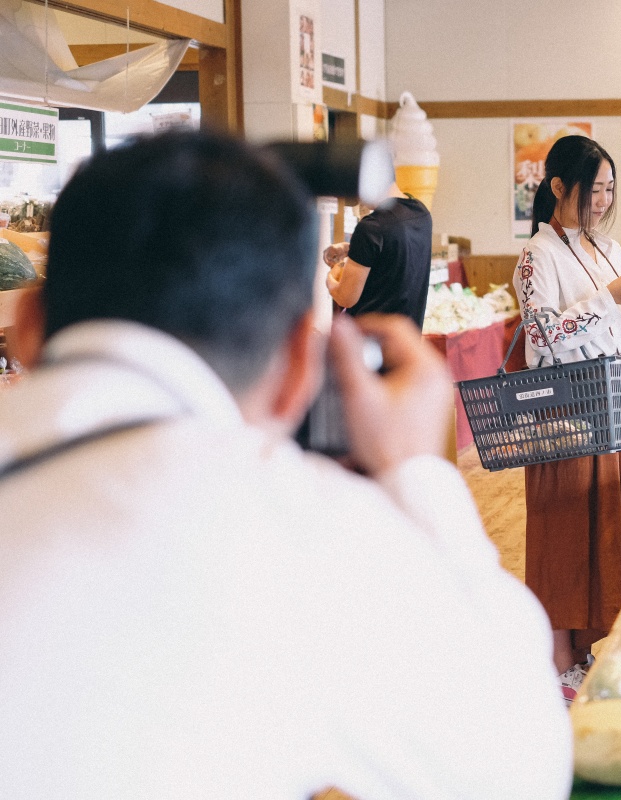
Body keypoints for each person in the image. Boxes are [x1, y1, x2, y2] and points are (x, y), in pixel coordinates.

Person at [0, 131, 571, 799]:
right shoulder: (304, 526)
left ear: (29, 329)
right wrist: (419, 472)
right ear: (304, 356)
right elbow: (519, 762)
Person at [513, 135, 621, 698]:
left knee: (606, 523)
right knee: (562, 531)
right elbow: (544, 336)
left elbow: (619, 333)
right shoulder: (537, 256)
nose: (602, 200)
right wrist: (611, 295)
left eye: (609, 189)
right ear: (558, 187)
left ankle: (583, 647)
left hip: (612, 398)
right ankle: (556, 658)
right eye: (592, 189)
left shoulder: (605, 248)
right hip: (563, 405)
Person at [324, 185, 433, 325]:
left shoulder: (372, 226)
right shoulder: (421, 212)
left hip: (371, 338)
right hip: (407, 335)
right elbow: (397, 252)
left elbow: (346, 298)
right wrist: (354, 250)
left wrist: (330, 278)